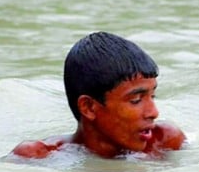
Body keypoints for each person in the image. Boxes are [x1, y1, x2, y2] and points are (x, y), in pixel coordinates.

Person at [10, 31, 186, 159]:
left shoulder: (165, 141)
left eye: (152, 96)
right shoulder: (39, 157)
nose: (154, 112)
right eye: (136, 100)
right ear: (89, 107)